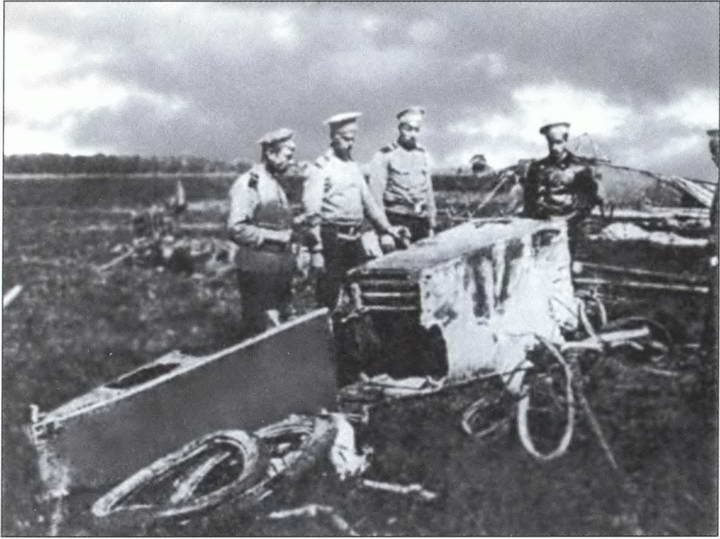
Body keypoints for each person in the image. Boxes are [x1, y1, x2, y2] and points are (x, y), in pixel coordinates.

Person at [302, 112, 401, 309]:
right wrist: (316, 250)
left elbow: (369, 203)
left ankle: (356, 322)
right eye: (347, 139)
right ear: (334, 137)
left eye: (353, 139)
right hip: (332, 238)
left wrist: (387, 229)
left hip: (354, 238)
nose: (351, 144)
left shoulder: (353, 166)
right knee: (330, 293)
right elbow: (312, 212)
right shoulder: (321, 168)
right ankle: (328, 325)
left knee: (360, 289)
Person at [227, 128, 297, 335]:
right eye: (287, 156)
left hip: (279, 268)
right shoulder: (249, 184)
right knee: (263, 331)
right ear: (271, 153)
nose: (291, 161)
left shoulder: (275, 183)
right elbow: (236, 228)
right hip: (257, 269)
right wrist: (278, 237)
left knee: (281, 329)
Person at [522, 122, 603, 254]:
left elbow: (590, 198)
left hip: (570, 227)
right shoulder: (537, 167)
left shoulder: (580, 167)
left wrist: (574, 219)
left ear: (566, 140)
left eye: (558, 142)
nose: (554, 147)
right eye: (551, 143)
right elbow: (529, 199)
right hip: (542, 227)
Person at [366, 106, 436, 242]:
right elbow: (375, 197)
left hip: (420, 220)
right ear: (400, 129)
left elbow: (428, 192)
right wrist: (384, 230)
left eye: (416, 130)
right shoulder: (385, 155)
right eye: (409, 129)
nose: (413, 134)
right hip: (396, 220)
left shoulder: (422, 155)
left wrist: (431, 223)